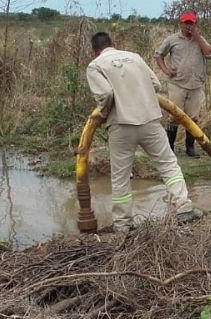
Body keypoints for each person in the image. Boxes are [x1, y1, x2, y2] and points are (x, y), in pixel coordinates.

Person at [85, 32, 202, 232]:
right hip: (150, 120)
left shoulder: (95, 65)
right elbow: (155, 84)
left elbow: (105, 93)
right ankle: (183, 207)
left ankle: (123, 225)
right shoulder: (135, 57)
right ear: (114, 44)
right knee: (168, 165)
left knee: (121, 176)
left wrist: (102, 113)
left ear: (95, 51)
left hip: (121, 125)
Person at [154, 10, 211, 159]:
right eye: (186, 23)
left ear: (195, 24)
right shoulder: (172, 39)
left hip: (196, 85)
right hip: (177, 84)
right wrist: (166, 70)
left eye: (191, 23)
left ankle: (190, 148)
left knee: (193, 118)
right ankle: (170, 149)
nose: (188, 26)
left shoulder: (200, 39)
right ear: (180, 24)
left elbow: (210, 54)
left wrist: (197, 37)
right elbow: (158, 55)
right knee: (174, 117)